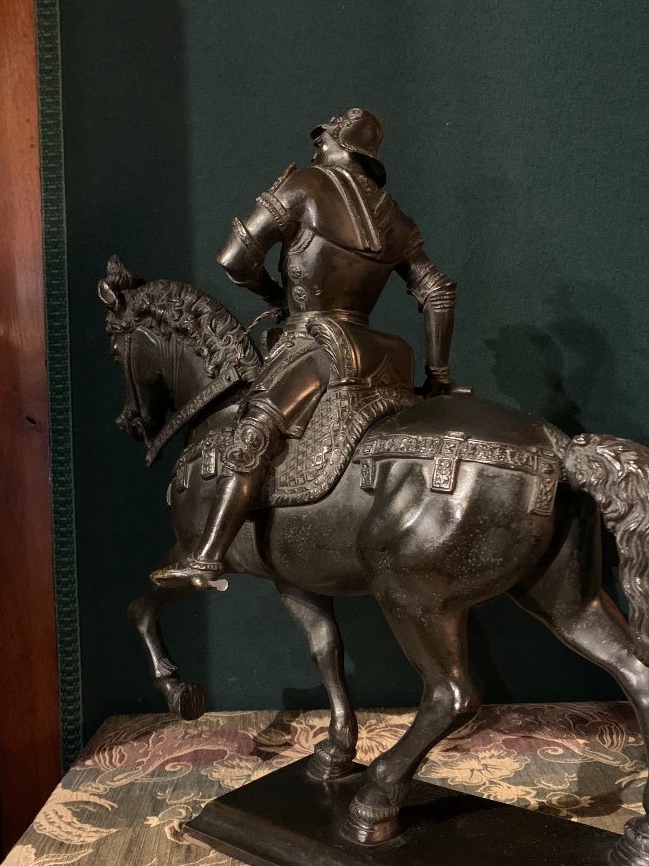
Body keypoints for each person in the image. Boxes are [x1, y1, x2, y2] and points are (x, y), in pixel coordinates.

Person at [152, 108, 459, 587]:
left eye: (324, 139)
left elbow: (234, 260)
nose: (316, 146)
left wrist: (272, 294)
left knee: (253, 431)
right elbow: (437, 290)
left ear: (339, 142)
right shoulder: (394, 217)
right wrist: (439, 376)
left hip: (316, 344)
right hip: (386, 358)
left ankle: (207, 556)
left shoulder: (304, 185)